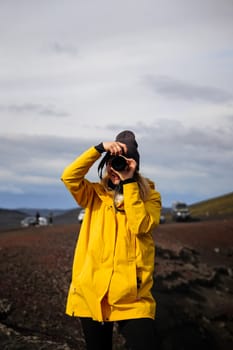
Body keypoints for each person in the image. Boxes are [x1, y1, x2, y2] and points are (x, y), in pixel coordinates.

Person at [61, 130, 161, 350]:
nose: (116, 168)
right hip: (92, 294)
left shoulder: (150, 196)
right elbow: (68, 176)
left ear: (134, 165)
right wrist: (98, 150)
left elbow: (141, 225)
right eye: (112, 162)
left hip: (132, 298)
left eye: (123, 163)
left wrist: (129, 183)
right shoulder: (94, 194)